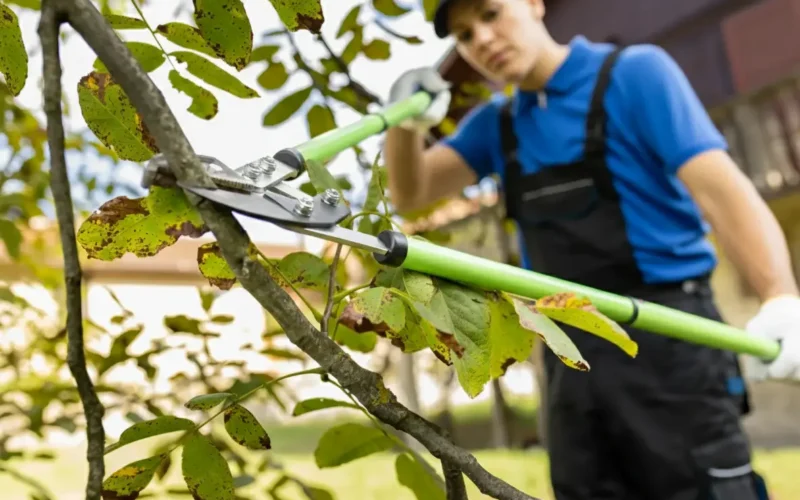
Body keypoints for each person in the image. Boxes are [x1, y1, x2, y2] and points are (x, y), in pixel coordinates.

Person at [381, 0, 800, 498]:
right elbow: (411, 193)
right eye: (465, 36)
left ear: (535, 4)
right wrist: (404, 124)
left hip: (668, 337)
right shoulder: (499, 124)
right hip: (570, 351)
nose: (482, 41)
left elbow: (721, 192)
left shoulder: (635, 75)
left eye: (491, 15)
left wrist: (780, 298)